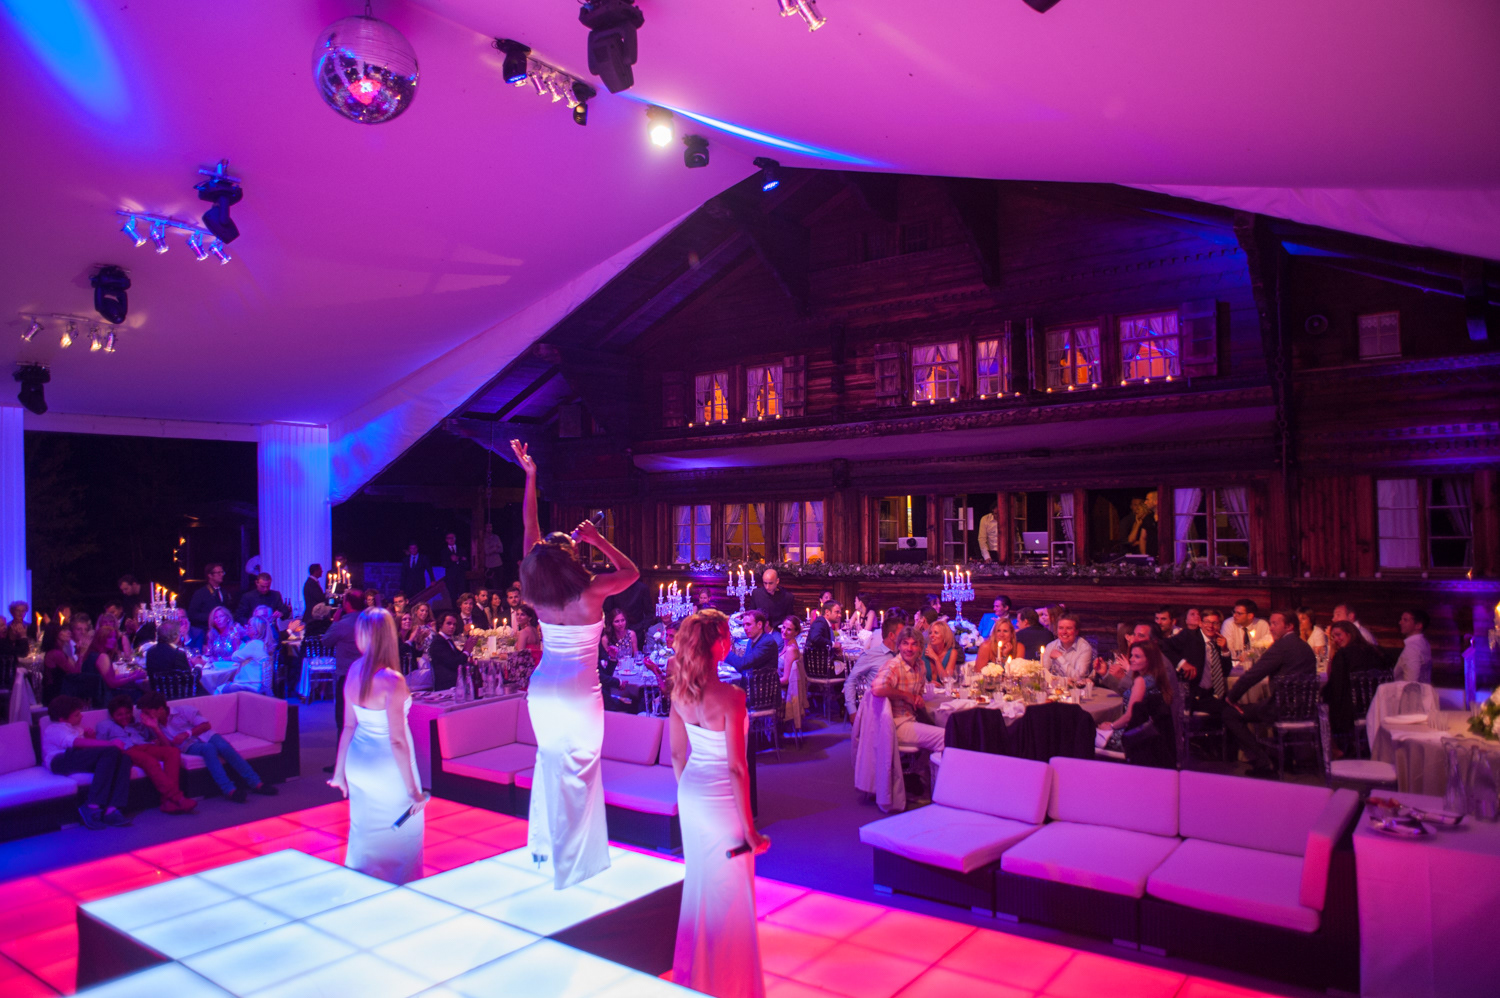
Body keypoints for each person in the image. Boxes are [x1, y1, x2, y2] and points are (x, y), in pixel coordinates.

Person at [513, 438, 638, 889]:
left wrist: (530, 476)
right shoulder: (592, 590)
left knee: (550, 762)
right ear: (573, 556)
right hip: (580, 692)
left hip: (543, 688)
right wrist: (599, 540)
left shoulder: (535, 590)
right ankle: (575, 865)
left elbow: (530, 527)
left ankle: (544, 849)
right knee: (581, 768)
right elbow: (632, 573)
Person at [668, 610, 768, 998]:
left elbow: (677, 755)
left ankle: (697, 977)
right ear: (719, 645)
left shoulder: (679, 692)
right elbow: (737, 768)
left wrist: (690, 796)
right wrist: (750, 830)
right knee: (730, 894)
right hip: (721, 801)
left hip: (691, 793)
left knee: (700, 886)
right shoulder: (732, 696)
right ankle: (731, 985)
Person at [328, 608, 428, 884]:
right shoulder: (391, 680)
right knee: (403, 835)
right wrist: (413, 791)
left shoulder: (354, 669)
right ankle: (398, 891)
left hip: (358, 762)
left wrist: (339, 772)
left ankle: (363, 885)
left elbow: (349, 726)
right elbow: (396, 740)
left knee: (364, 833)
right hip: (387, 767)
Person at [1222, 609, 1317, 777]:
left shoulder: (1282, 646)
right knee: (1261, 704)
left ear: (1289, 626)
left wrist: (1231, 697)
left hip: (1282, 708)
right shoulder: (1305, 647)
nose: (1271, 628)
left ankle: (1263, 761)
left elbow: (1254, 674)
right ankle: (1284, 758)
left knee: (1229, 713)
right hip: (1306, 709)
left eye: (1275, 624)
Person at [139, 691, 276, 802]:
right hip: (189, 746)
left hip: (207, 735)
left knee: (225, 748)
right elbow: (168, 748)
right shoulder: (151, 725)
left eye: (147, 712)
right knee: (208, 749)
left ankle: (256, 783)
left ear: (160, 709)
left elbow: (206, 725)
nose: (144, 716)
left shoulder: (183, 711)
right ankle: (229, 790)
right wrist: (156, 729)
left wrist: (186, 734)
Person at [43, 695, 134, 829]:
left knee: (124, 758)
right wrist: (110, 743)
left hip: (76, 758)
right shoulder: (55, 728)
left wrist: (91, 738)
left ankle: (112, 808)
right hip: (60, 760)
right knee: (111, 750)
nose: (81, 716)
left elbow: (86, 749)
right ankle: (92, 806)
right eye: (77, 715)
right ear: (62, 719)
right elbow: (75, 743)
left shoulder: (77, 727)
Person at [97, 695, 197, 814]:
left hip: (144, 746)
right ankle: (178, 798)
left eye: (127, 713)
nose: (125, 717)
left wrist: (154, 730)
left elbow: (155, 739)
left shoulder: (138, 723)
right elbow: (101, 745)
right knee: (150, 761)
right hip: (126, 750)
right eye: (119, 714)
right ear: (112, 715)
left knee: (173, 752)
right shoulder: (105, 725)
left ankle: (167, 802)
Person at [1095, 640, 1176, 767]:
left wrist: (1111, 726)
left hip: (1132, 737)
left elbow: (1130, 716)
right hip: (1147, 737)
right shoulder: (1156, 679)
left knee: (1087, 734)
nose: (1131, 659)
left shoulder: (1141, 681)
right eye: (1132, 655)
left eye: (1137, 656)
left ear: (1149, 660)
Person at [872, 627, 945, 753]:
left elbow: (918, 694)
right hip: (894, 724)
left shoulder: (920, 666)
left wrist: (918, 699)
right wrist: (905, 695)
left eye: (914, 644)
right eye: (905, 643)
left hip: (912, 718)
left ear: (920, 648)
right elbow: (877, 689)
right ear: (899, 646)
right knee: (945, 737)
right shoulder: (893, 665)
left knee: (950, 730)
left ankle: (923, 765)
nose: (909, 649)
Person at [1323, 621, 1387, 747]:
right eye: (1333, 637)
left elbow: (1336, 684)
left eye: (1339, 635)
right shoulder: (1377, 651)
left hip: (1353, 708)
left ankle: (1336, 748)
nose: (1336, 640)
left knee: (1324, 702)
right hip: (1379, 704)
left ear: (1350, 634)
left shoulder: (1343, 655)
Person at [322, 590, 367, 768]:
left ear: (347, 604)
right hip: (368, 677)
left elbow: (326, 641)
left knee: (344, 721)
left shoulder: (342, 624)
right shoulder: (370, 622)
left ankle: (342, 763)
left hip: (347, 678)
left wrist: (334, 621)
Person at [1175, 608, 1230, 710]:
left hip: (1213, 695)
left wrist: (1225, 649)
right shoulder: (1189, 636)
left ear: (1219, 625)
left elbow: (1226, 672)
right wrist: (1181, 663)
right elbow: (1165, 647)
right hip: (1193, 695)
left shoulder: (1218, 642)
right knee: (1229, 711)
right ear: (1200, 623)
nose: (1210, 626)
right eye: (1207, 622)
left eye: (1215, 623)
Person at [846, 616, 902, 718]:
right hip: (879, 712)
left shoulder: (904, 655)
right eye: (902, 634)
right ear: (892, 636)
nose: (906, 636)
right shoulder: (871, 655)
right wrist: (852, 711)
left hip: (902, 709)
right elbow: (851, 681)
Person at [83, 621, 146, 699]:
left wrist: (130, 674)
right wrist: (133, 678)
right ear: (101, 638)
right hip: (104, 698)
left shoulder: (91, 654)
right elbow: (112, 684)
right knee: (140, 694)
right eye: (110, 637)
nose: (114, 640)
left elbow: (109, 677)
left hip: (93, 696)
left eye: (114, 638)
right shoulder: (102, 657)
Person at [222, 612, 275, 695]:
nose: (246, 627)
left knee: (221, 689)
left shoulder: (254, 644)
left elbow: (235, 657)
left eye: (249, 626)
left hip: (250, 687)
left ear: (256, 631)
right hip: (261, 687)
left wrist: (237, 642)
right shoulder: (263, 644)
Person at [186, 563, 231, 648]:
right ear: (210, 575)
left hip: (222, 632)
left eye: (222, 572)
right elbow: (192, 614)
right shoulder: (200, 593)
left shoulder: (223, 592)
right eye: (218, 573)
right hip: (206, 632)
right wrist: (212, 617)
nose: (221, 575)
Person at [725, 610, 778, 679]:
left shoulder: (767, 642)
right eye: (743, 625)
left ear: (759, 625)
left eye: (748, 624)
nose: (745, 628)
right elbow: (744, 667)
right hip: (751, 682)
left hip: (761, 684)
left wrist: (725, 651)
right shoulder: (751, 640)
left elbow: (744, 664)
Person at [1043, 614, 1095, 681]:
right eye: (1061, 628)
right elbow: (1043, 672)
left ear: (1076, 631)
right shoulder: (1051, 646)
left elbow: (1079, 678)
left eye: (1069, 628)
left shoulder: (1085, 648)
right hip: (1054, 686)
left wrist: (1059, 658)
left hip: (1076, 687)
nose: (1064, 632)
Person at [145, 614, 194, 684]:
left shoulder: (150, 652)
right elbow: (189, 680)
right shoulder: (178, 654)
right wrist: (199, 665)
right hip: (177, 690)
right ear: (176, 636)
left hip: (157, 690)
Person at [779, 616, 807, 735]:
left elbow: (785, 680)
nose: (784, 631)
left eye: (789, 629)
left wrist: (769, 682)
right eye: (784, 627)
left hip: (782, 691)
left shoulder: (791, 650)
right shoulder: (787, 644)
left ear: (796, 632)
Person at [427, 611, 467, 692]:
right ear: (441, 625)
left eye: (454, 624)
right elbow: (454, 663)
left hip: (455, 682)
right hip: (446, 685)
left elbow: (459, 656)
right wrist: (467, 651)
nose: (452, 627)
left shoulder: (448, 640)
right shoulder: (438, 642)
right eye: (449, 623)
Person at [1223, 599, 1272, 664]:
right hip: (1236, 664)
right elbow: (1230, 651)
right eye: (1234, 612)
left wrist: (1248, 656)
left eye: (1239, 613)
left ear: (1250, 616)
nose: (1234, 615)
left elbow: (1266, 650)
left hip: (1257, 664)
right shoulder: (1229, 623)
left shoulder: (1262, 625)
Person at [1394, 609, 1432, 684]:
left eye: (1405, 620)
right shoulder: (1423, 643)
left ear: (1418, 626)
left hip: (1409, 690)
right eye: (1401, 619)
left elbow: (1411, 682)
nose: (1400, 622)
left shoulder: (1412, 648)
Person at [440, 531, 469, 604]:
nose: (451, 539)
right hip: (451, 578)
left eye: (453, 538)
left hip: (461, 577)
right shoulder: (444, 551)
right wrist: (451, 560)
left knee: (463, 596)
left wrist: (458, 559)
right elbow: (443, 564)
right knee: (453, 596)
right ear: (446, 540)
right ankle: (455, 610)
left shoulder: (461, 549)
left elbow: (466, 563)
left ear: (455, 539)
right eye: (449, 538)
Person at [483, 522, 505, 586]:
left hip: (498, 563)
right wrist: (495, 547)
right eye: (487, 527)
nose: (489, 528)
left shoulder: (496, 537)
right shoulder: (483, 538)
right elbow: (487, 551)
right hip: (489, 564)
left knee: (499, 583)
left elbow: (501, 549)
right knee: (492, 583)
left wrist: (492, 548)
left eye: (490, 527)